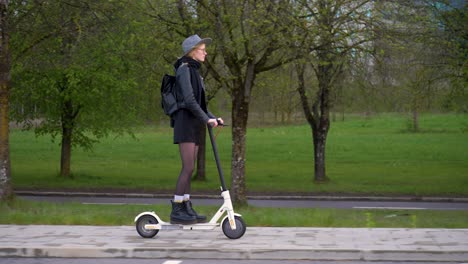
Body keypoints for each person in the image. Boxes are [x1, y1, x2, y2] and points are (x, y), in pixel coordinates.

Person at [170, 34, 224, 225]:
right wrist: (206, 119)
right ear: (193, 51)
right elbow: (189, 101)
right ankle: (177, 208)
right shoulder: (184, 70)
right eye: (202, 49)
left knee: (190, 167)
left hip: (194, 122)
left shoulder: (195, 71)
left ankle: (187, 206)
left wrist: (212, 117)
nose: (206, 53)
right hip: (185, 121)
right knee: (188, 167)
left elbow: (201, 103)